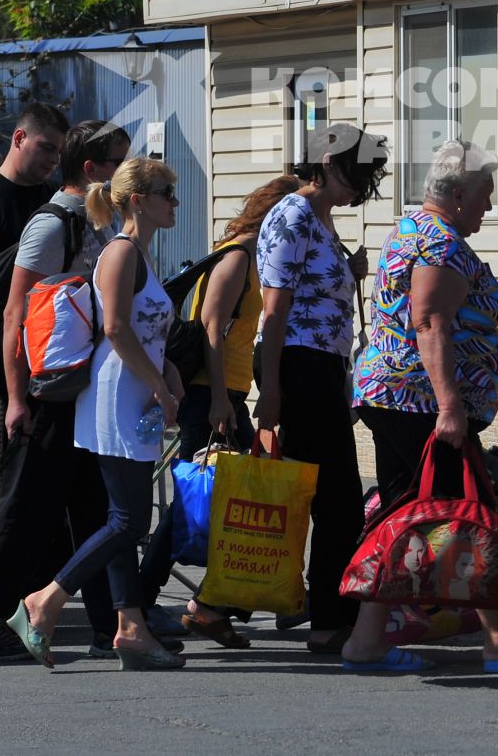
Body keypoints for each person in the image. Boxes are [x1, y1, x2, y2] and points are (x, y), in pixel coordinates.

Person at [340, 140, 498, 673]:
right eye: (484, 196)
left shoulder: (413, 230)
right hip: (420, 404)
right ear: (458, 195)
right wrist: (450, 405)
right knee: (468, 511)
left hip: (398, 397)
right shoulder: (440, 243)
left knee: (405, 515)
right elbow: (430, 322)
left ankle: (366, 643)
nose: (488, 206)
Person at [0, 118, 129, 661]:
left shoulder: (104, 221)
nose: (125, 173)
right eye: (118, 163)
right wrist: (15, 398)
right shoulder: (54, 224)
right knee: (25, 510)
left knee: (96, 509)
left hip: (84, 393)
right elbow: (14, 315)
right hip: (46, 394)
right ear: (91, 169)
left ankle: (115, 622)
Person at [7, 157, 185, 670]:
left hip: (138, 390)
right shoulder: (121, 252)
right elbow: (115, 331)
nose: (174, 202)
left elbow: (143, 332)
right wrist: (159, 384)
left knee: (121, 518)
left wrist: (167, 370)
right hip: (118, 395)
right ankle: (44, 602)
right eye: (165, 192)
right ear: (137, 200)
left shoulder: (141, 255)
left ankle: (130, 628)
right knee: (129, 521)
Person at [133, 172, 299, 650]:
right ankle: (150, 601)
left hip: (226, 391)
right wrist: (222, 399)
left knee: (225, 502)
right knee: (195, 498)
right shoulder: (237, 258)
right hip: (209, 394)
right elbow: (210, 329)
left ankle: (213, 606)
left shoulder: (257, 259)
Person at [253, 122, 386, 658]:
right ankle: (329, 619)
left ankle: (317, 613)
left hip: (321, 365)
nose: (362, 186)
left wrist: (349, 272)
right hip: (299, 364)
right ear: (329, 163)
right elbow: (275, 306)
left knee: (321, 496)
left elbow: (309, 290)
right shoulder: (293, 213)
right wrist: (273, 390)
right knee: (335, 499)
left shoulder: (320, 219)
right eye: (357, 173)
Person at [0, 102, 69, 276]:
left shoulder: (60, 198)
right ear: (19, 138)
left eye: (60, 152)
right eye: (47, 148)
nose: (55, 159)